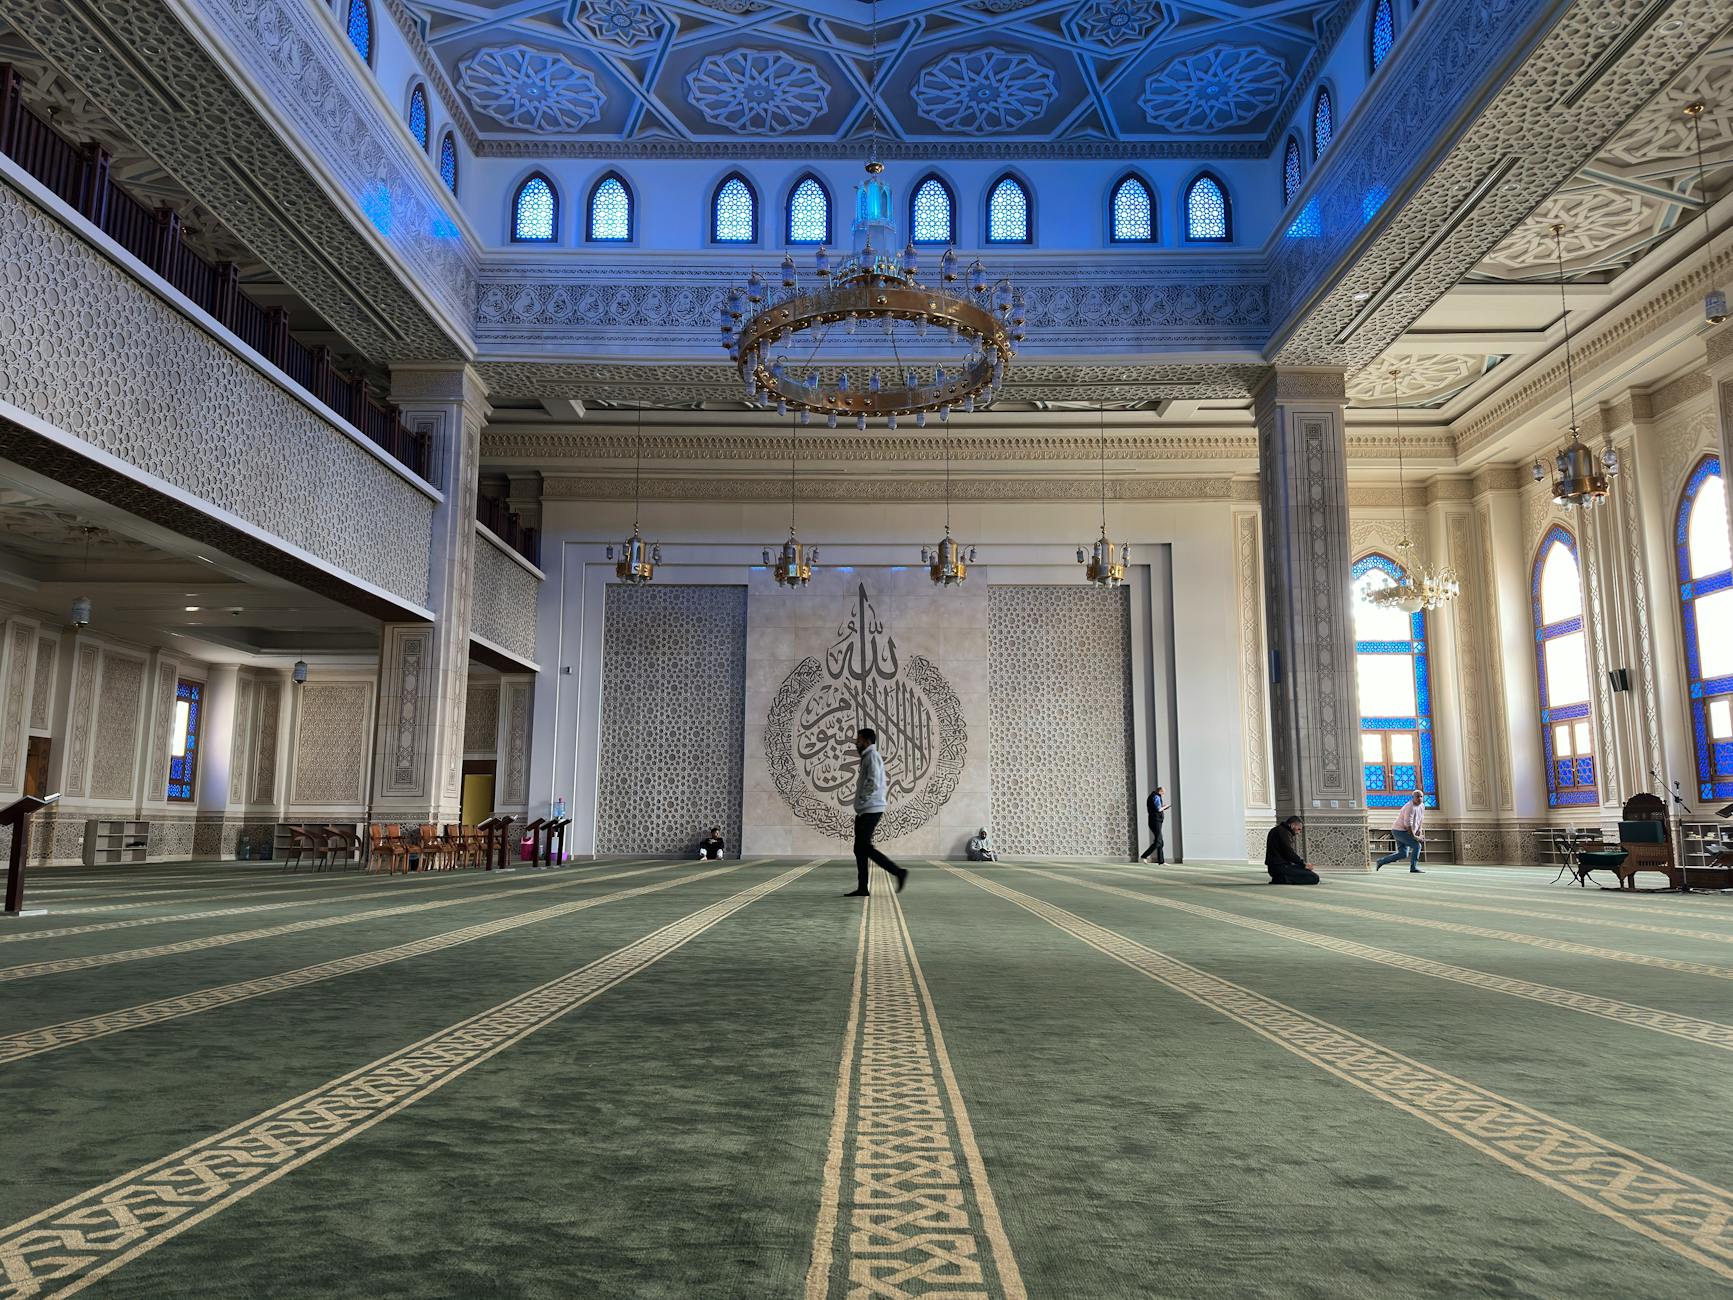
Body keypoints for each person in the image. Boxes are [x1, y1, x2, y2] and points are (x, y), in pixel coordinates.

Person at [844, 727, 907, 897]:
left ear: (866, 741)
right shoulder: (868, 756)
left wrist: (863, 798)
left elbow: (873, 780)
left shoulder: (872, 756)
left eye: (859, 740)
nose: (856, 743)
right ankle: (862, 887)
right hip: (866, 809)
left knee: (864, 847)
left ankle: (898, 872)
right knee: (859, 849)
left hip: (871, 808)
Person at [1375, 791, 1426, 873]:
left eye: (1421, 796)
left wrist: (1419, 830)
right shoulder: (1409, 807)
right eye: (1417, 797)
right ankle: (1413, 868)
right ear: (1413, 798)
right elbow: (1407, 825)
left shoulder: (1422, 806)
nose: (1419, 798)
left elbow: (1421, 819)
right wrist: (1415, 837)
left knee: (1403, 854)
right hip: (1399, 831)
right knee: (1417, 846)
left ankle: (1381, 861)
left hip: (1404, 831)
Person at [1264, 815, 1320, 885]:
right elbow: (1289, 853)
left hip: (1274, 868)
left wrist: (1301, 865)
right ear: (1292, 825)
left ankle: (1282, 878)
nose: (1298, 832)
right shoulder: (1283, 832)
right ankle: (1283, 879)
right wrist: (1303, 863)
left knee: (1305, 871)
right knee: (1314, 877)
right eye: (1299, 829)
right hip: (1280, 868)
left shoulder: (1277, 830)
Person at [1139, 786, 1170, 864]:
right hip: (1155, 821)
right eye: (1163, 793)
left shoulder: (1152, 796)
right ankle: (1144, 856)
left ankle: (1161, 861)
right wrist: (1165, 807)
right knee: (1158, 841)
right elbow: (1158, 809)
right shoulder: (1156, 797)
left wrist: (1163, 807)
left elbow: (1155, 808)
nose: (1163, 794)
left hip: (1154, 821)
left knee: (1160, 841)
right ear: (1160, 791)